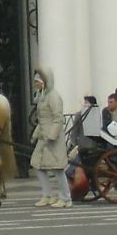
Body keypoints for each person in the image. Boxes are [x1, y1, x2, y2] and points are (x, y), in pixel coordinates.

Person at [30, 68, 71, 208]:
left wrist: (52, 136)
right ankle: (47, 195)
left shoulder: (53, 96)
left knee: (58, 168)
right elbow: (43, 119)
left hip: (53, 138)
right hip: (43, 137)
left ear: (44, 82)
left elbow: (58, 118)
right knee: (37, 165)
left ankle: (65, 198)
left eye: (37, 82)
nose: (35, 84)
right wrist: (35, 135)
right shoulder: (42, 96)